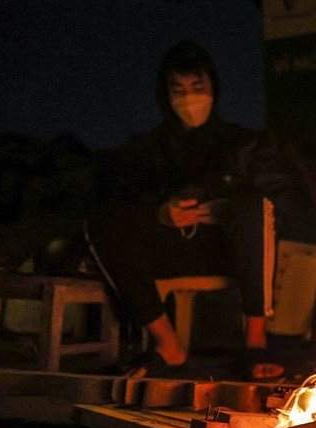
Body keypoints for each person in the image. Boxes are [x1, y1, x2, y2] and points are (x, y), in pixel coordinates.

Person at [88, 40, 287, 380]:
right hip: (170, 250)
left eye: (198, 87)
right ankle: (168, 344)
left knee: (253, 207)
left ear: (213, 88)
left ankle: (256, 341)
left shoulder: (242, 141)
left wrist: (220, 203)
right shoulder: (149, 149)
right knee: (104, 221)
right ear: (165, 95)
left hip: (228, 252)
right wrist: (160, 213)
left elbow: (275, 190)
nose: (189, 99)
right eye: (177, 89)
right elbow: (123, 194)